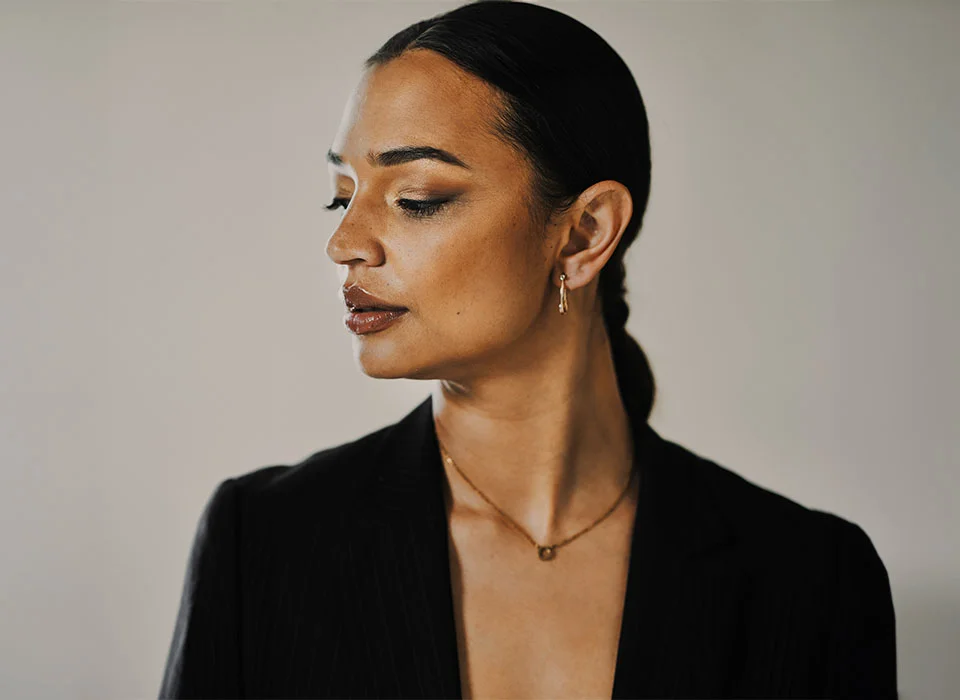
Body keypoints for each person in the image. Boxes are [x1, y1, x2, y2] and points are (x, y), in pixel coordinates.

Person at [157, 1, 898, 698]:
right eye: (340, 194)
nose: (343, 242)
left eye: (416, 197)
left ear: (583, 233)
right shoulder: (265, 543)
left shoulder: (811, 578)